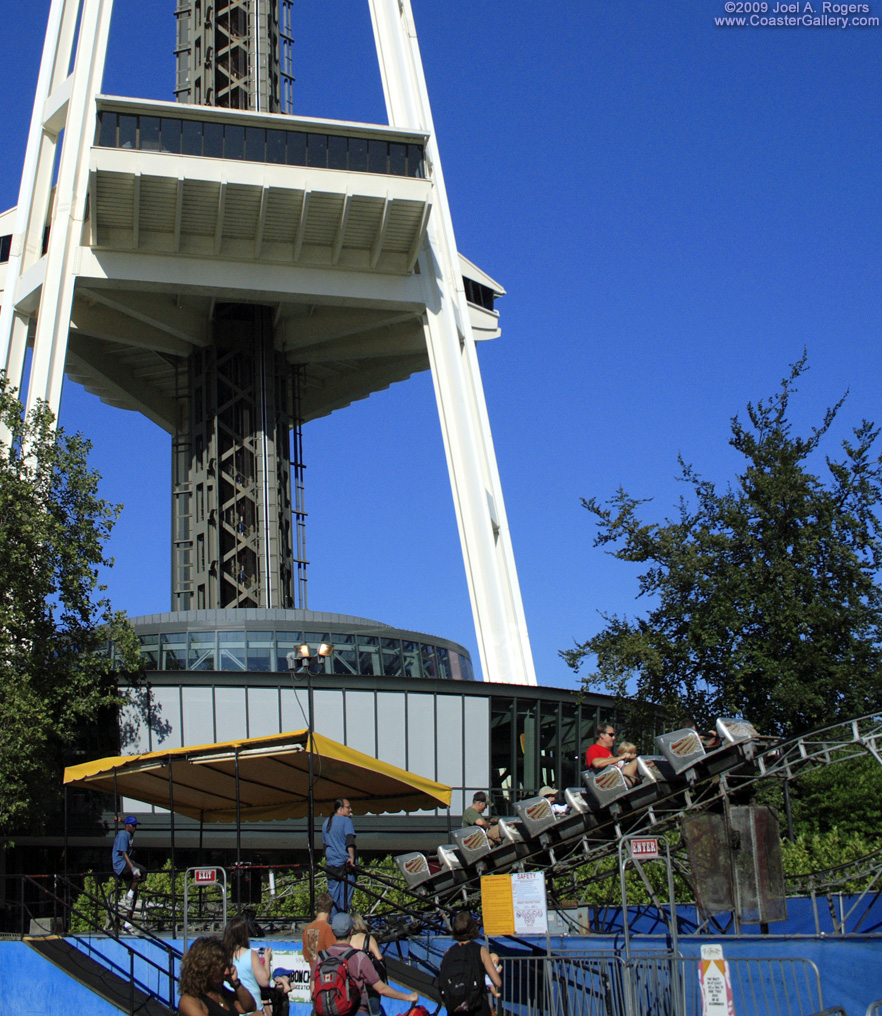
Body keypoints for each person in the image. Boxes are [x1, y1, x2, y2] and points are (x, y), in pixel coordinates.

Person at [315, 912, 418, 1015]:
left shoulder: (322, 957)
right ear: (351, 931)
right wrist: (408, 997)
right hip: (356, 1011)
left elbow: (313, 991)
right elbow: (381, 989)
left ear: (333, 932)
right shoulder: (359, 957)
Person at [439, 911, 501, 1016]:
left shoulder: (448, 953)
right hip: (477, 1008)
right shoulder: (480, 950)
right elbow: (497, 982)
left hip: (456, 1009)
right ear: (472, 928)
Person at [178, 935, 257, 1016]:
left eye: (227, 966)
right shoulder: (189, 1001)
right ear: (205, 969)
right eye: (222, 968)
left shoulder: (219, 991)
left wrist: (236, 983)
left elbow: (249, 1007)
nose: (227, 972)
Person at [222, 915, 272, 1016]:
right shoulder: (250, 954)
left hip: (232, 1006)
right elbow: (264, 981)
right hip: (252, 1006)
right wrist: (267, 960)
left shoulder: (223, 955)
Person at [322, 798, 357, 914]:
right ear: (340, 809)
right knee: (345, 900)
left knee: (332, 899)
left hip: (331, 865)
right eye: (348, 807)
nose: (350, 810)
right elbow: (350, 841)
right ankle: (343, 926)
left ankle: (333, 925)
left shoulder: (326, 823)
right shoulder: (346, 821)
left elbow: (325, 845)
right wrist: (351, 858)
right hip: (345, 865)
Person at [350, 912, 385, 1016]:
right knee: (375, 1012)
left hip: (354, 986)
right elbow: (379, 959)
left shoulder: (348, 940)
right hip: (371, 985)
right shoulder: (368, 939)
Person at [111, 815, 142, 931]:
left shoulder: (128, 832)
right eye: (133, 826)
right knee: (142, 871)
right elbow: (123, 853)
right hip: (121, 865)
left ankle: (128, 923)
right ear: (128, 826)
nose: (135, 828)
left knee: (135, 894)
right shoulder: (123, 835)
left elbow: (128, 823)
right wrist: (132, 868)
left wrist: (121, 820)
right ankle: (128, 895)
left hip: (126, 864)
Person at [301, 891, 337, 968]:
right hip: (325, 975)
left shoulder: (307, 929)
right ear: (331, 910)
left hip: (313, 976)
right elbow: (334, 955)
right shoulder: (328, 929)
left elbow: (306, 958)